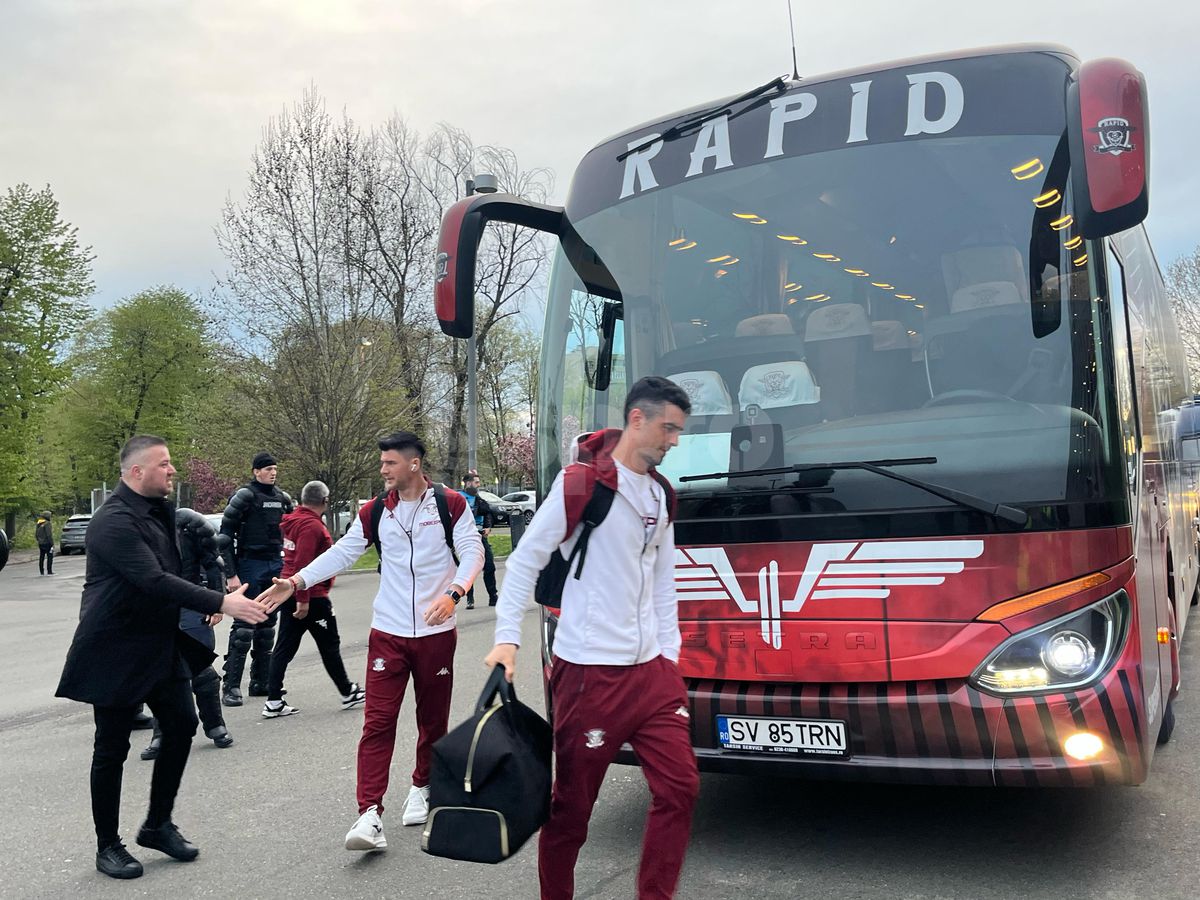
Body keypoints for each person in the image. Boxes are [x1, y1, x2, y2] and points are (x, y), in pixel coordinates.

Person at [484, 376, 698, 900]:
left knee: (681, 788)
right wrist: (507, 639)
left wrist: (668, 658)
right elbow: (525, 561)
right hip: (588, 673)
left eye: (679, 431)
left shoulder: (661, 494)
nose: (674, 441)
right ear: (637, 419)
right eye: (669, 428)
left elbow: (664, 583)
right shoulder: (582, 483)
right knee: (572, 811)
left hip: (652, 675)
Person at [255, 431, 483, 851]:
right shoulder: (376, 510)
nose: (383, 470)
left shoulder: (449, 504)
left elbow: (472, 551)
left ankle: (423, 786)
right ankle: (369, 814)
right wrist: (297, 581)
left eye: (389, 463)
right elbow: (343, 552)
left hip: (435, 633)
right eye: (382, 463)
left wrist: (454, 593)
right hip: (388, 633)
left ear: (414, 464)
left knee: (432, 721)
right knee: (377, 723)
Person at [55, 435, 268, 880]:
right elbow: (152, 579)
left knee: (182, 724)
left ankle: (156, 825)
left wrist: (213, 591)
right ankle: (108, 846)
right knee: (111, 747)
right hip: (113, 648)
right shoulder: (112, 521)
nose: (172, 470)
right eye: (164, 464)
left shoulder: (158, 512)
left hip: (157, 641)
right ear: (136, 472)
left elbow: (177, 572)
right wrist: (221, 601)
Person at [261, 480, 366, 718]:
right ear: (325, 501)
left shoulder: (294, 520)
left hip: (290, 590)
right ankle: (347, 691)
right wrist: (304, 599)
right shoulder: (311, 526)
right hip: (310, 595)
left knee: (285, 647)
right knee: (329, 645)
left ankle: (274, 700)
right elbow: (304, 562)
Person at [141, 508, 235, 759]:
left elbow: (214, 563)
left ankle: (215, 725)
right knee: (160, 673)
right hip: (156, 608)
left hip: (191, 603)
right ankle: (162, 734)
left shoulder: (188, 522)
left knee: (201, 669)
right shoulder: (135, 523)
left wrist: (217, 602)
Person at [219, 451, 293, 706]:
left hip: (274, 564)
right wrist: (231, 575)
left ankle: (261, 681)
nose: (273, 473)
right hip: (250, 564)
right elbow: (224, 537)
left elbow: (292, 534)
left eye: (275, 469)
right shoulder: (245, 496)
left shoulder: (282, 499)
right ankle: (230, 686)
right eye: (268, 469)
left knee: (267, 624)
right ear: (256, 471)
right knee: (244, 628)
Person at [459, 473, 498, 609]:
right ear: (468, 483)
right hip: (465, 536)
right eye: (476, 482)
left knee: (489, 566)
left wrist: (488, 526)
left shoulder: (478, 498)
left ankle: (493, 596)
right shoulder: (459, 498)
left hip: (480, 536)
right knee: (469, 568)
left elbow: (488, 513)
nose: (478, 485)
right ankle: (470, 598)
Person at [36, 510, 54, 575]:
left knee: (42, 557)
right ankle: (49, 571)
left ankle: (41, 571)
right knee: (50, 557)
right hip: (47, 543)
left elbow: (36, 534)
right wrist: (52, 543)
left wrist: (38, 540)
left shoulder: (39, 523)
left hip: (41, 543)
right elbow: (49, 534)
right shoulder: (47, 523)